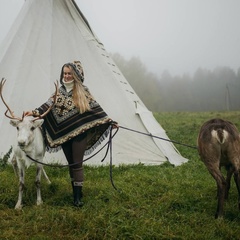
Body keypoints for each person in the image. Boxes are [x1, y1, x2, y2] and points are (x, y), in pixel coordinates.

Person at [25, 60, 117, 207]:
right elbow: (47, 105)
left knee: (77, 164)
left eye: (69, 73)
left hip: (79, 134)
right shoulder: (59, 92)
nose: (66, 76)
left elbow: (96, 109)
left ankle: (78, 198)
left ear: (75, 75)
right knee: (70, 164)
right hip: (65, 134)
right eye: (65, 73)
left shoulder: (83, 91)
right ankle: (76, 191)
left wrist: (109, 121)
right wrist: (34, 112)